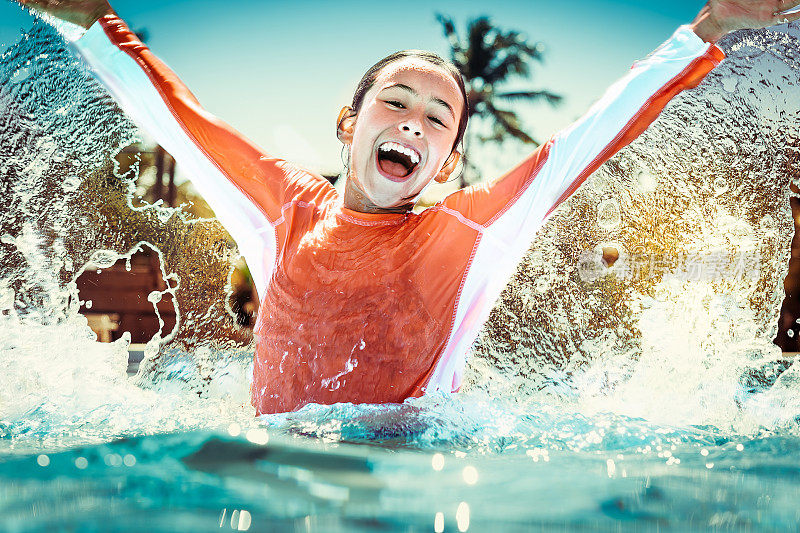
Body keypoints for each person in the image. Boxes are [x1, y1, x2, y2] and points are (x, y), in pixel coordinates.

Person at [17, 0, 800, 414]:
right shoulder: (287, 208)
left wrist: (711, 28)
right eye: (396, 102)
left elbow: (587, 136)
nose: (412, 124)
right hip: (278, 473)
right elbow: (179, 121)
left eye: (436, 119)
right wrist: (90, 20)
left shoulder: (466, 232)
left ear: (450, 158)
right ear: (350, 125)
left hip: (414, 473)